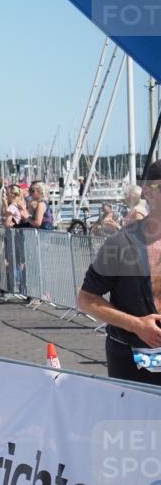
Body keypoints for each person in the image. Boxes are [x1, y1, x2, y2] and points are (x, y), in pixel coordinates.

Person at [77, 161, 161, 386]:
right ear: (146, 191)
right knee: (135, 420)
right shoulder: (121, 244)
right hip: (132, 357)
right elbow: (86, 299)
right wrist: (137, 325)